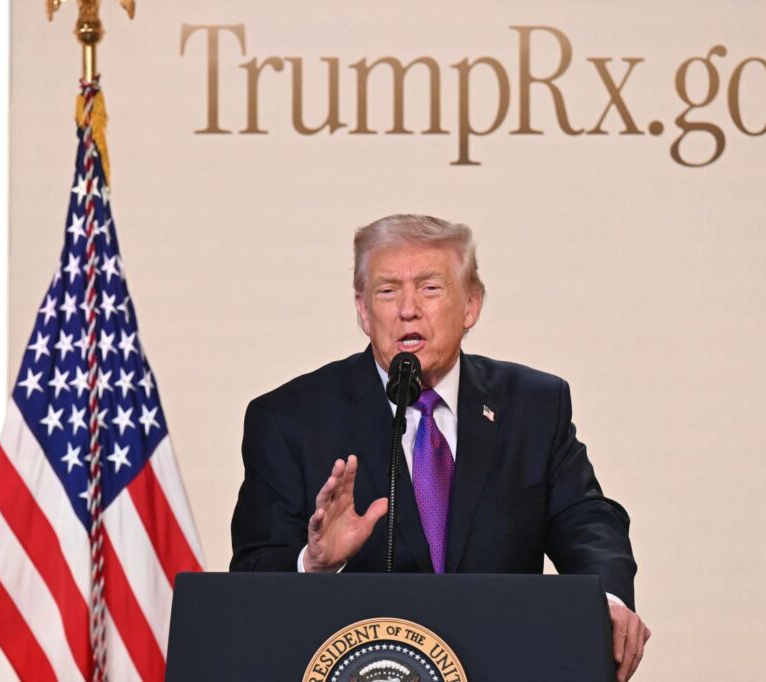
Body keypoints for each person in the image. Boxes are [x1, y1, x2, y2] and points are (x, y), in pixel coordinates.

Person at [231, 214, 650, 681]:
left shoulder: (533, 405)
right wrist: (313, 565)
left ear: (471, 305)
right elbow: (250, 575)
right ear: (363, 312)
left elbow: (586, 520)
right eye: (387, 291)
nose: (407, 309)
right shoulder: (289, 419)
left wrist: (606, 601)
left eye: (430, 288)